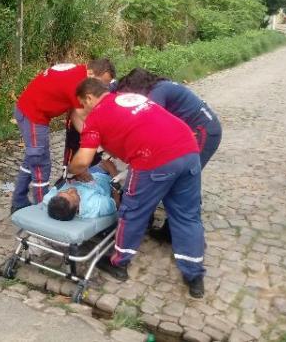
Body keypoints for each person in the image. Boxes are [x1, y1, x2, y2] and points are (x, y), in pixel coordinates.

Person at [68, 78, 206, 298]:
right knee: (187, 215)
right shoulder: (131, 98)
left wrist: (71, 169)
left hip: (152, 159)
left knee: (133, 211)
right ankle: (194, 276)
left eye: (83, 104)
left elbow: (83, 160)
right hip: (188, 150)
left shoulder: (96, 117)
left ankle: (119, 264)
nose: (84, 109)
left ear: (89, 98)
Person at [117, 67, 222, 242]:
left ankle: (182, 235)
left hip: (202, 133)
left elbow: (149, 126)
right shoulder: (159, 86)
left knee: (183, 180)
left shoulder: (156, 94)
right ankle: (170, 230)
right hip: (199, 129)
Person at [11, 59, 116, 214]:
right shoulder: (78, 83)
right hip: (33, 115)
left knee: (31, 159)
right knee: (40, 162)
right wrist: (96, 142)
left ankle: (18, 202)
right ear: (91, 73)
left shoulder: (80, 74)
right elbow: (80, 116)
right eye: (102, 83)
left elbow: (75, 114)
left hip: (30, 111)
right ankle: (43, 208)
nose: (102, 89)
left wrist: (92, 140)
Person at [45, 170, 117, 221]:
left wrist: (75, 174)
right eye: (72, 195)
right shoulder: (95, 206)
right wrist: (112, 171)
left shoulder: (51, 200)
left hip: (90, 171)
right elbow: (117, 203)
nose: (71, 189)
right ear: (77, 208)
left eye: (65, 191)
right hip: (110, 176)